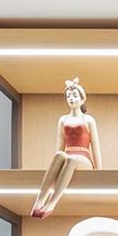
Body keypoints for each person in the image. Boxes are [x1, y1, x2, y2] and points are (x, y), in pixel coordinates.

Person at [30, 77, 102, 219]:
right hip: (68, 155)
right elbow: (59, 147)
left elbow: (95, 146)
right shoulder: (63, 120)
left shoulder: (89, 120)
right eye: (68, 96)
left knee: (71, 159)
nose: (71, 99)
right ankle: (39, 201)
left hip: (84, 157)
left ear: (82, 99)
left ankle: (52, 203)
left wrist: (99, 173)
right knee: (59, 155)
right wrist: (56, 165)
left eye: (74, 96)